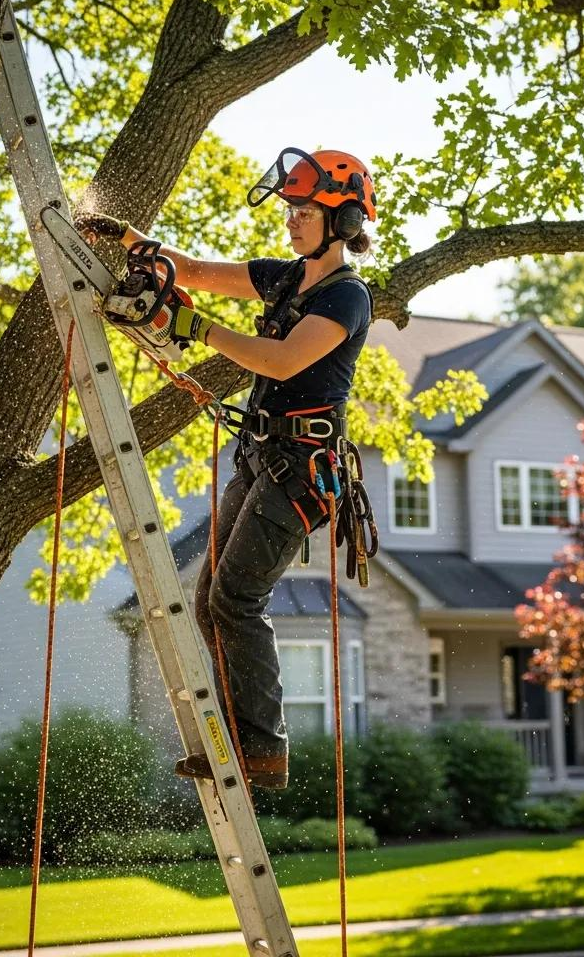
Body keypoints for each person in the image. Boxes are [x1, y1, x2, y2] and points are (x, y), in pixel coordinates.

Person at [77, 149, 377, 789]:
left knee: (237, 597)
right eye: (291, 209)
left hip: (302, 468)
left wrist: (192, 325)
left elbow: (280, 361)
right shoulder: (283, 277)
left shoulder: (348, 296)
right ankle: (235, 741)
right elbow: (191, 271)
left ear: (344, 220)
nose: (292, 221)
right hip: (262, 457)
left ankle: (265, 752)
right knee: (212, 602)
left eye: (304, 211)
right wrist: (127, 238)